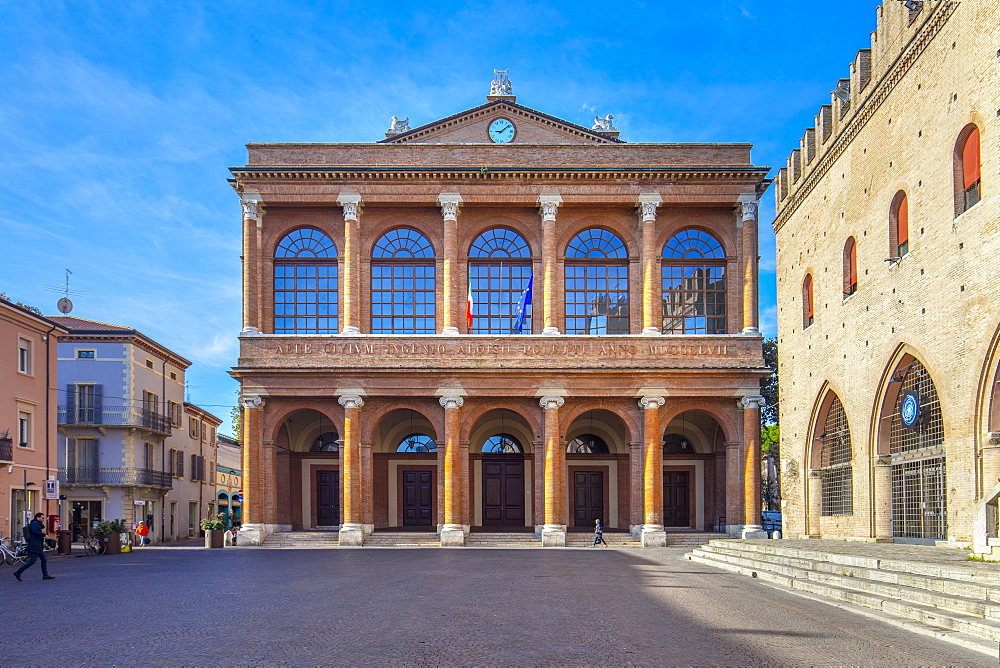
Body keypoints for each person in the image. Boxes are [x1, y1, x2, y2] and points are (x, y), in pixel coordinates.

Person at [14, 513, 55, 581]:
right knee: (32, 561)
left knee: (44, 559)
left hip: (37, 545)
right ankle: (18, 572)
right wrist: (44, 535)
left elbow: (39, 529)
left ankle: (45, 575)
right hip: (34, 545)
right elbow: (34, 531)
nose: (43, 519)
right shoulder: (35, 523)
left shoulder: (36, 523)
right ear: (38, 518)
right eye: (42, 518)